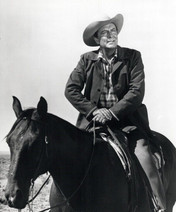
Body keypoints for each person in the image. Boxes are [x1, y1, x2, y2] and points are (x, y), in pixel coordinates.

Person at [65, 13, 166, 212]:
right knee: (70, 157)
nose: (111, 35)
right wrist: (94, 111)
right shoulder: (86, 60)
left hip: (127, 122)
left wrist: (111, 113)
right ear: (96, 39)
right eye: (105, 32)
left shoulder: (133, 57)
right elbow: (71, 90)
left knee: (144, 154)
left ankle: (158, 205)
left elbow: (136, 91)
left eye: (113, 30)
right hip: (94, 123)